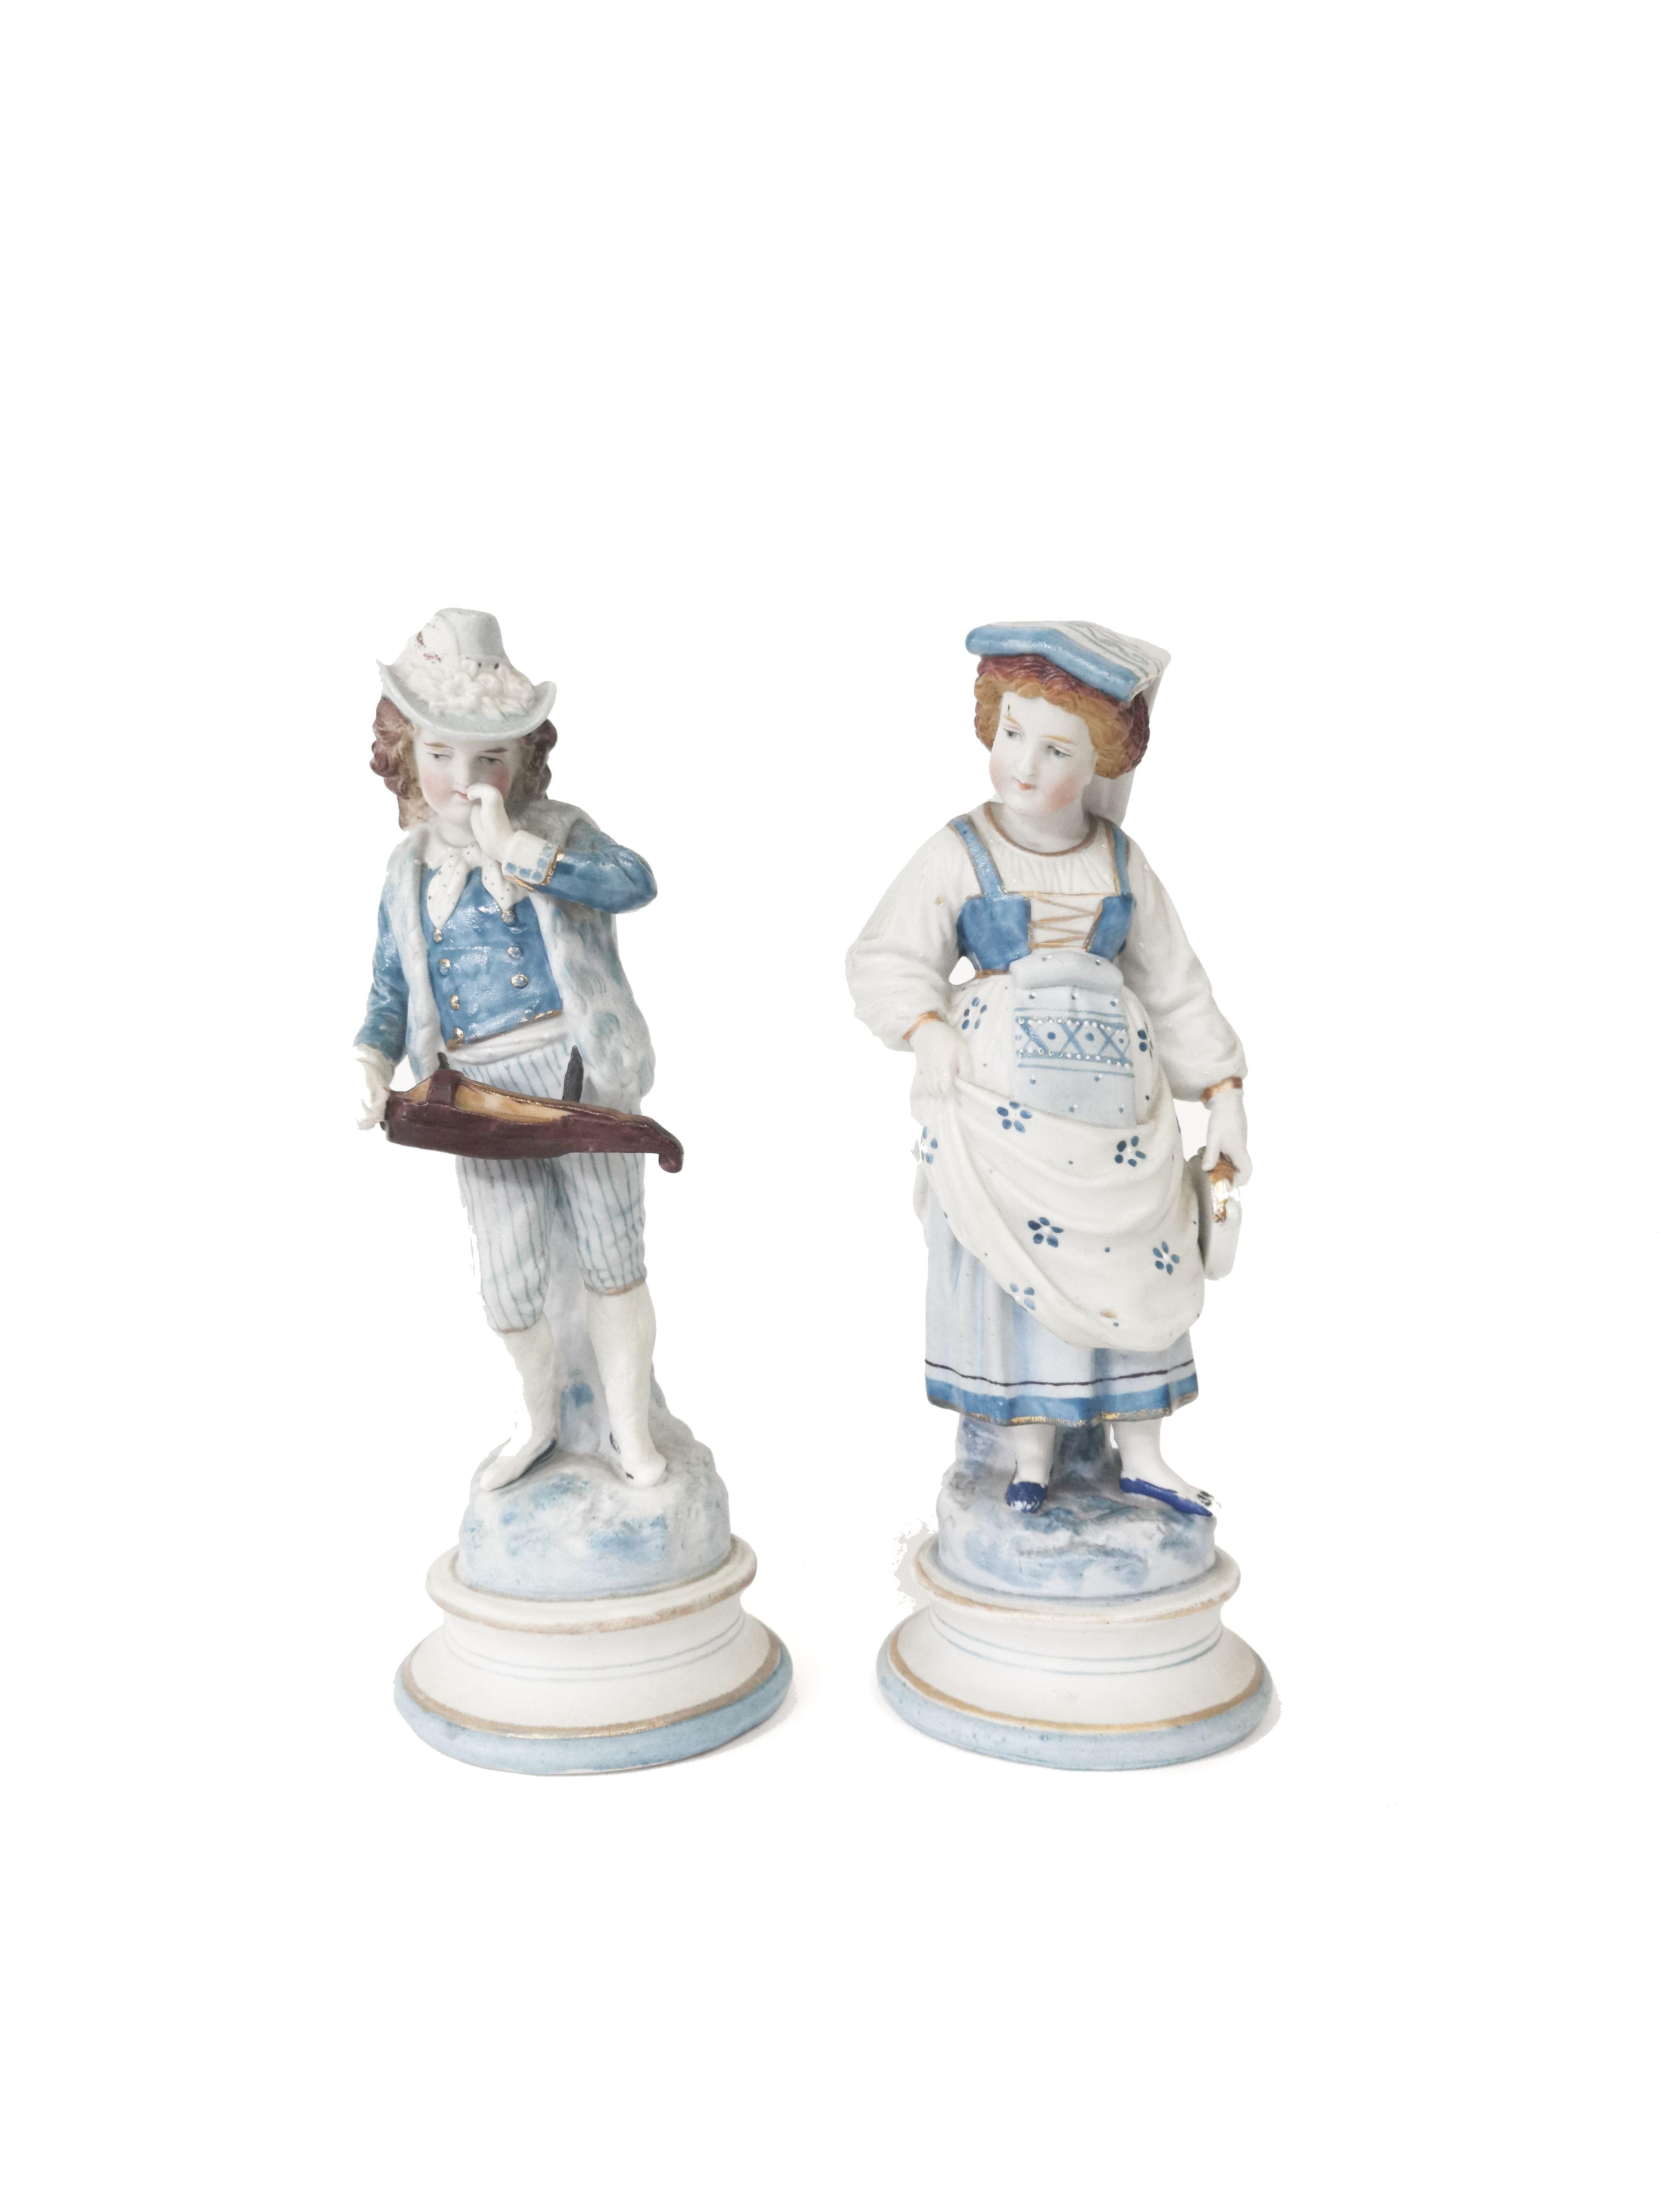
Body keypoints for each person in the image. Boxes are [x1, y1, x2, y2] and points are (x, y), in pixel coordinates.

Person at [846, 620, 1251, 1515]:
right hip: (998, 1108)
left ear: (1102, 759)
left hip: (1121, 1116)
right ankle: (1027, 1457)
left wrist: (1224, 1095)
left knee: (1141, 1260)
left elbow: (1176, 985)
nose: (1023, 766)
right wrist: (926, 1028)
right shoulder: (960, 849)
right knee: (1017, 1272)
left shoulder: (1122, 860)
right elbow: (886, 954)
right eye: (1011, 735)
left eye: (1057, 749)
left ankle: (1142, 1453)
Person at [353, 608, 669, 1489]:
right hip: (476, 1094)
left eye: (488, 757)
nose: (465, 781)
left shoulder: (556, 830)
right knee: (508, 1276)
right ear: (407, 752)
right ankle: (539, 1422)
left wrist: (520, 850)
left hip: (580, 1069)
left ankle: (630, 1430)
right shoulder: (407, 871)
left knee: (614, 1256)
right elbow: (389, 987)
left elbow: (634, 882)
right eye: (441, 754)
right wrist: (371, 1059)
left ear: (522, 758)